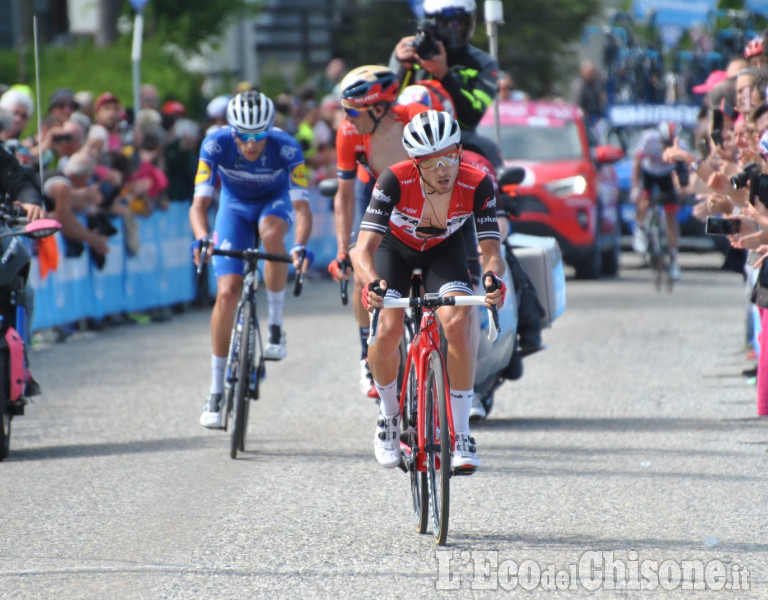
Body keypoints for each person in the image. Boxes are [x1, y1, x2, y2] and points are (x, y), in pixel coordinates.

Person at [354, 110, 506, 471]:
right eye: (431, 162)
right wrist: (372, 282)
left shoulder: (477, 183)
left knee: (458, 321)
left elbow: (491, 253)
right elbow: (362, 250)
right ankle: (390, 417)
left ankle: (462, 433)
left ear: (458, 151)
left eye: (450, 157)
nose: (443, 170)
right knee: (388, 328)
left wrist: (492, 280)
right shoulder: (393, 180)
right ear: (414, 162)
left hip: (444, 250)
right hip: (395, 251)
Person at [189, 91, 313, 429]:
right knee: (227, 292)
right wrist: (201, 236)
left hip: (273, 204)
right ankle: (215, 391)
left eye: (259, 135)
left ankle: (274, 325)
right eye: (243, 136)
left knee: (272, 235)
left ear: (269, 130)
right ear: (232, 131)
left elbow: (302, 209)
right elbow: (199, 206)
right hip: (233, 208)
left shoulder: (286, 146)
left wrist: (299, 246)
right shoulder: (215, 144)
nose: (251, 143)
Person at [328, 65, 429, 399]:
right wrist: (344, 250)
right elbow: (343, 197)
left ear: (378, 107)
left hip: (419, 192)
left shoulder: (416, 117)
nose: (346, 117)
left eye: (352, 110)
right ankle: (365, 349)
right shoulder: (349, 133)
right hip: (372, 191)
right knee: (362, 265)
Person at [389, 0, 497, 134]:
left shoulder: (483, 63)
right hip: (408, 137)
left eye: (459, 23)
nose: (453, 30)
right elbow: (387, 109)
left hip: (459, 140)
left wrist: (444, 74)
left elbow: (471, 120)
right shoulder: (411, 52)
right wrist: (402, 67)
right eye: (444, 24)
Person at [631, 121, 687, 281]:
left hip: (668, 176)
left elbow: (685, 173)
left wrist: (682, 189)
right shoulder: (648, 139)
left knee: (671, 216)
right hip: (649, 173)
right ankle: (641, 229)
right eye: (664, 143)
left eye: (670, 144)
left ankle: (674, 260)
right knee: (644, 203)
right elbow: (637, 164)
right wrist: (635, 188)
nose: (666, 147)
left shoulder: (681, 146)